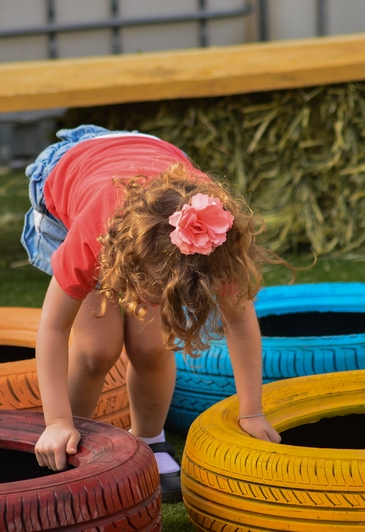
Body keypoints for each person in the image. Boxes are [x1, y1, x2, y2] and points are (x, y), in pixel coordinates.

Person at [21, 124, 282, 503]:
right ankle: (70, 446)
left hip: (150, 156)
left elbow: (240, 322)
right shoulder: (92, 238)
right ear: (129, 264)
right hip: (68, 175)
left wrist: (252, 412)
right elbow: (53, 328)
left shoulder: (213, 242)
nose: (151, 303)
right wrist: (56, 421)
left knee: (152, 346)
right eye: (152, 291)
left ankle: (149, 438)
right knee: (97, 349)